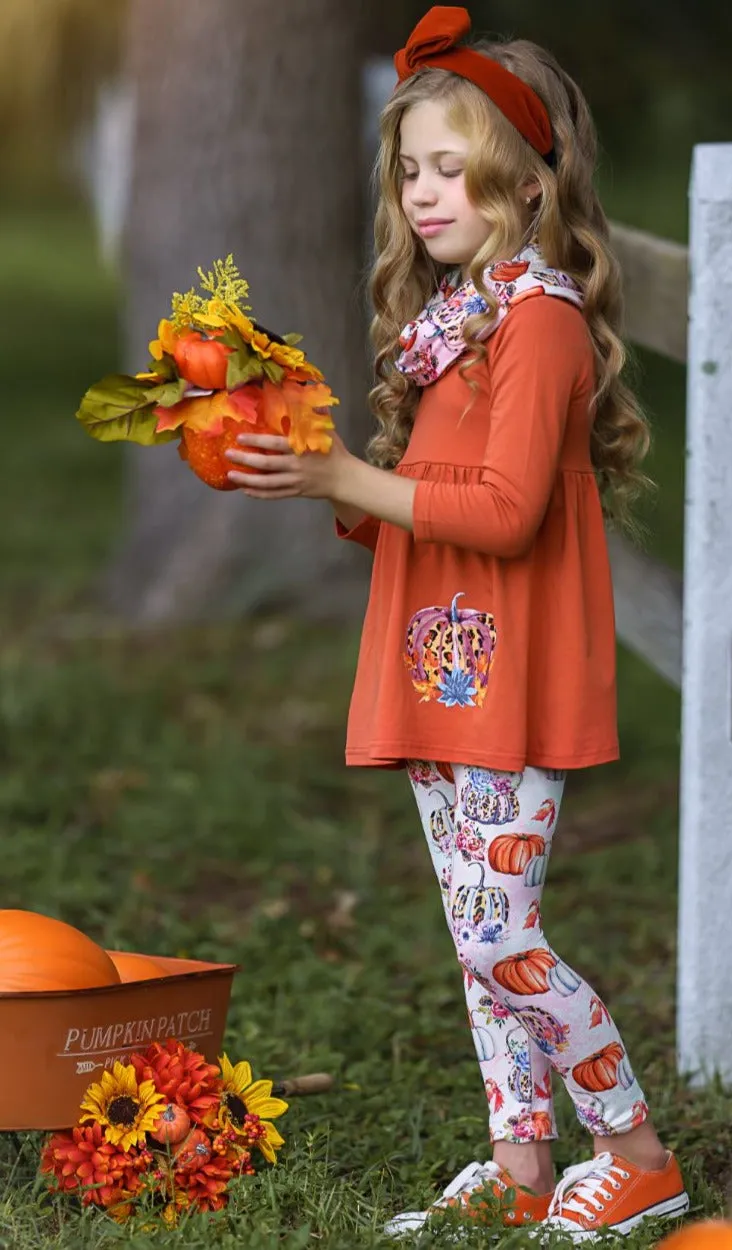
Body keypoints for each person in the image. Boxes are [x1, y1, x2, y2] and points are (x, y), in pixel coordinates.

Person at [225, 4, 690, 1239]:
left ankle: (636, 1148)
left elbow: (502, 512)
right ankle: (521, 1160)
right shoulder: (456, 326)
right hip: (445, 660)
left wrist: (350, 481)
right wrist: (318, 474)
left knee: (503, 933)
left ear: (530, 188)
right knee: (473, 931)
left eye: (455, 169)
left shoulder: (534, 325)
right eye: (413, 170)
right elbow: (427, 498)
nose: (426, 194)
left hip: (513, 671)